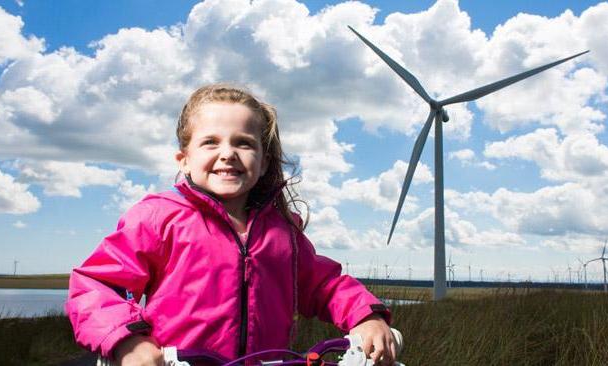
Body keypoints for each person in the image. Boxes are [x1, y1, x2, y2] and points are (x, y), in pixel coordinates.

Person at [66, 84, 396, 365]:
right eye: (211, 142)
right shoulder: (157, 217)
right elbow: (96, 286)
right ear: (185, 160)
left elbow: (324, 285)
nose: (228, 153)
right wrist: (128, 342)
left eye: (243, 143)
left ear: (264, 162)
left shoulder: (282, 231)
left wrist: (366, 316)